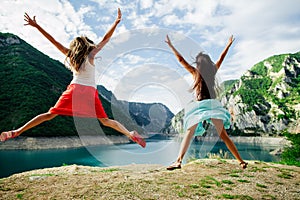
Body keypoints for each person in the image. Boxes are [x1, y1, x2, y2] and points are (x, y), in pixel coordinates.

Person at [0, 9, 146, 148]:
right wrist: (116, 22)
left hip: (74, 89)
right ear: (87, 45)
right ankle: (129, 133)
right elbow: (105, 39)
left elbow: (53, 40)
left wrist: (37, 26)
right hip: (90, 92)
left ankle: (17, 131)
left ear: (75, 46)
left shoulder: (71, 56)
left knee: (49, 115)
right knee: (105, 121)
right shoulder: (91, 55)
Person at [165, 35, 247, 170]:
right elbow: (221, 58)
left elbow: (180, 59)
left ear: (198, 64)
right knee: (223, 135)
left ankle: (178, 161)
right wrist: (228, 45)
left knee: (189, 132)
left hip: (199, 106)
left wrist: (171, 45)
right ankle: (241, 161)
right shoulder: (213, 71)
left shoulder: (195, 73)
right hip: (212, 105)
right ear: (209, 63)